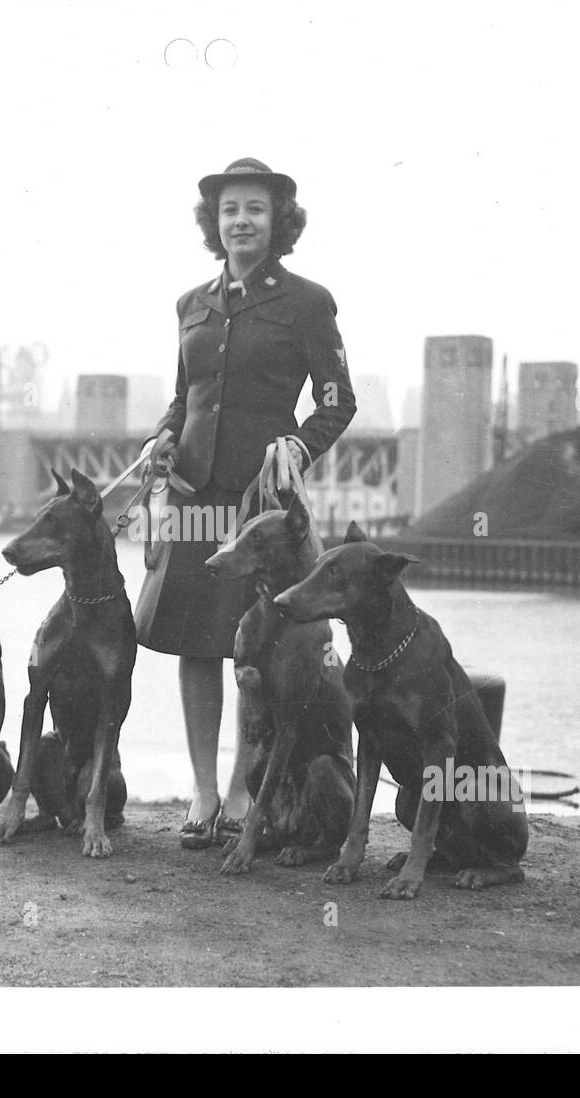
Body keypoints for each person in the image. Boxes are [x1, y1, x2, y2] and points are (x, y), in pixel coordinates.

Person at [134, 157, 355, 849]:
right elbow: (185, 396)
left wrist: (298, 443)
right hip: (195, 498)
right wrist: (163, 437)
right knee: (195, 644)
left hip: (263, 510)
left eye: (255, 209)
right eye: (230, 209)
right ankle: (203, 793)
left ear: (278, 220)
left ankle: (240, 793)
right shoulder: (190, 305)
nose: (241, 221)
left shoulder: (308, 303)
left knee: (257, 650)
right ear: (214, 221)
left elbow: (337, 400)